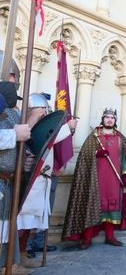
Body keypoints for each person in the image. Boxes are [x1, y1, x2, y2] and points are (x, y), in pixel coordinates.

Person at [17, 93, 77, 268]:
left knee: (31, 221)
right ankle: (15, 258)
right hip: (32, 180)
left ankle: (21, 255)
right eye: (42, 111)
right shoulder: (28, 128)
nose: (44, 113)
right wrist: (67, 128)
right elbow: (44, 140)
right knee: (23, 220)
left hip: (42, 180)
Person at [62, 108, 126, 250]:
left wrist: (125, 175)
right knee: (93, 206)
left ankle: (110, 237)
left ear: (115, 121)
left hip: (115, 180)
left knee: (112, 207)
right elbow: (85, 156)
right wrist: (97, 153)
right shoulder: (94, 136)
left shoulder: (120, 138)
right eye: (107, 117)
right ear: (102, 119)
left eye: (112, 118)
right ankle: (87, 238)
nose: (109, 120)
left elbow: (125, 158)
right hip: (95, 180)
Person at [0, 82, 32, 275]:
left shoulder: (12, 115)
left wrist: (24, 160)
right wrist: (14, 134)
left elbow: (22, 145)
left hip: (8, 182)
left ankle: (6, 265)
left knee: (5, 231)